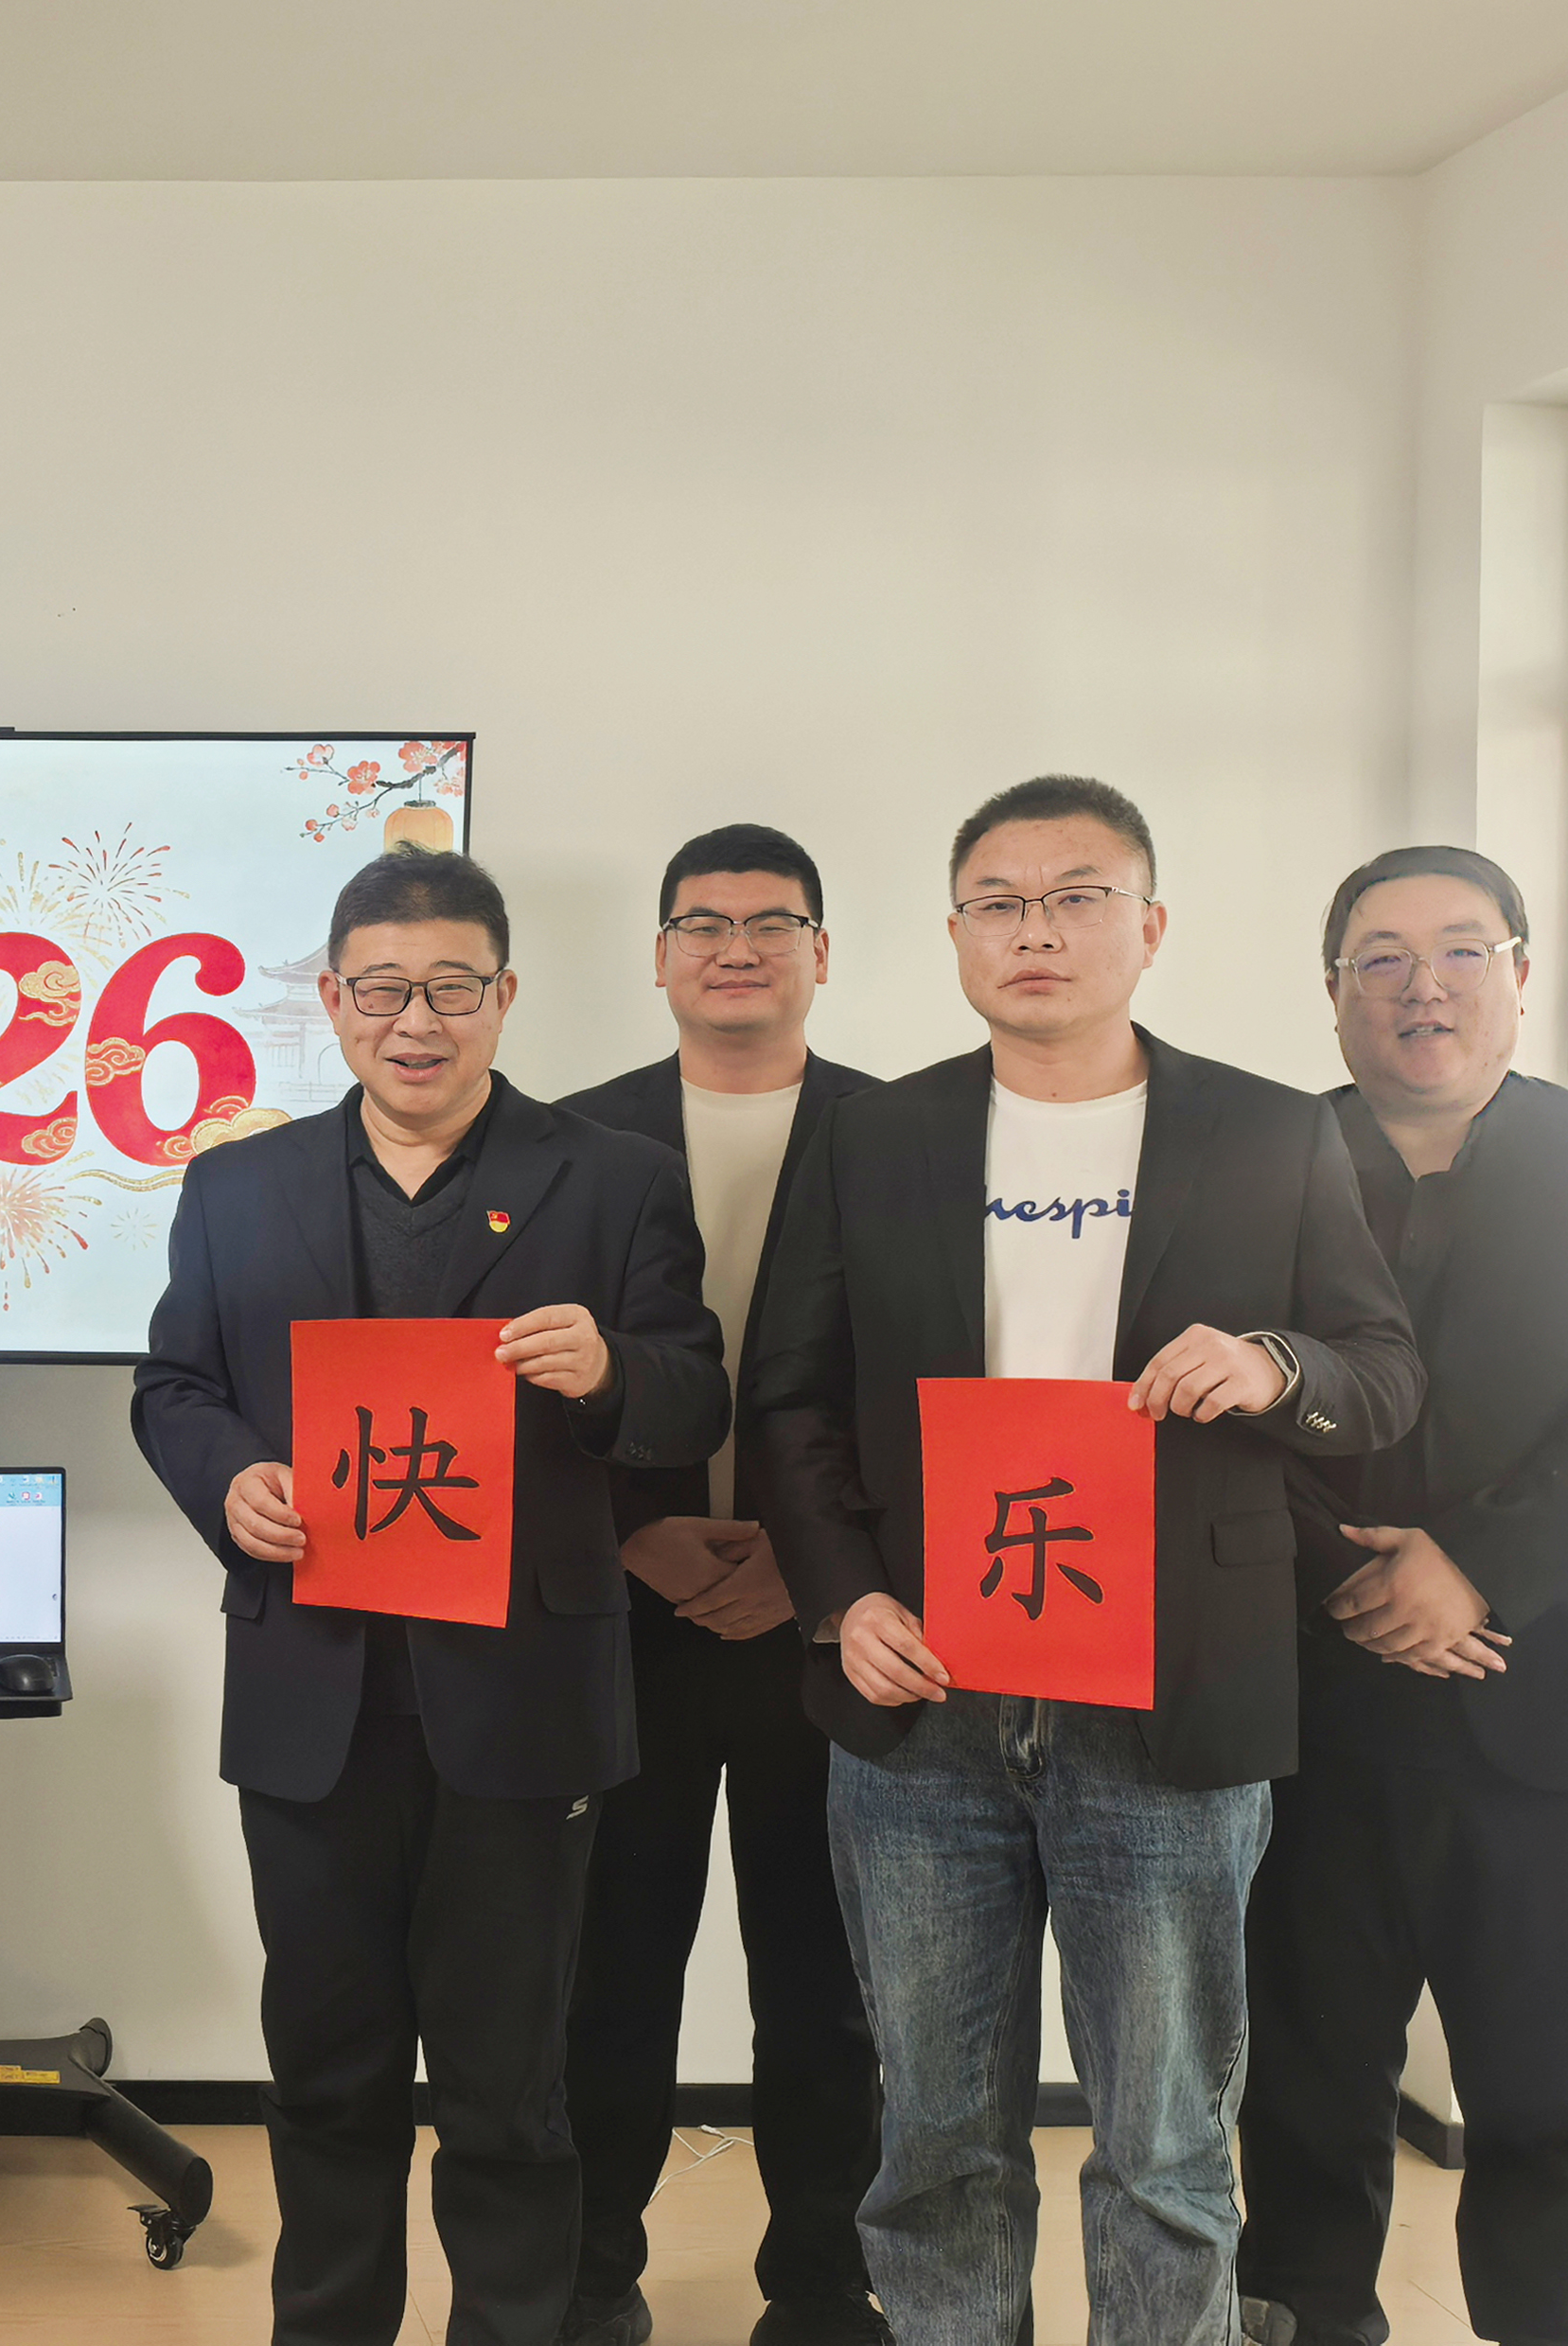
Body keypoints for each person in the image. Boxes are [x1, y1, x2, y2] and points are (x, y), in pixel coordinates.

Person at [744, 775, 1425, 2346]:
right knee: (931, 2136)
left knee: (1166, 2139)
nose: (1033, 931)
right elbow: (788, 1398)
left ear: (1149, 925)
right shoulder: (871, 1133)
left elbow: (1381, 1375)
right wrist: (842, 1599)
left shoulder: (1269, 1129)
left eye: (1074, 898)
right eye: (998, 902)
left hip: (1168, 1694)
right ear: (955, 935)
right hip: (924, 1695)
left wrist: (1271, 1365)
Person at [131, 848, 732, 2346]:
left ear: (503, 996)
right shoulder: (237, 1184)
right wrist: (230, 1483)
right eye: (383, 989)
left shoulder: (613, 1179)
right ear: (333, 1000)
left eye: (451, 989)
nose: (416, 1021)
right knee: (324, 2071)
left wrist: (610, 1373)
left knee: (506, 2084)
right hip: (312, 1695)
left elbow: (692, 1396)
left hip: (521, 1703)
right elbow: (175, 1387)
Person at [1237, 848, 1568, 2346]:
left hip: (1559, 1696)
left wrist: (1471, 1566)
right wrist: (1352, 1578)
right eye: (1380, 957)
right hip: (1305, 1699)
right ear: (1333, 991)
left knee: (1556, 2092)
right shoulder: (1251, 1160)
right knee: (1298, 2085)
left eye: (1460, 950)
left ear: (1520, 974)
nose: (1420, 986)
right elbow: (1204, 1402)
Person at [555, 824, 885, 2346]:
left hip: (829, 1625)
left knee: (824, 1987)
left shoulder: (903, 1136)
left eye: (770, 922)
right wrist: (636, 1533)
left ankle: (819, 2286)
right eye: (702, 922)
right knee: (606, 1971)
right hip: (623, 1618)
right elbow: (520, 1379)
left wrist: (812, 1565)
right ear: (660, 955)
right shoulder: (569, 1139)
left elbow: (935, 1376)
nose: (735, 948)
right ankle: (585, 2279)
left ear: (820, 952)